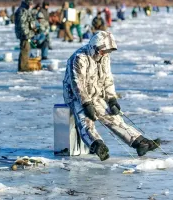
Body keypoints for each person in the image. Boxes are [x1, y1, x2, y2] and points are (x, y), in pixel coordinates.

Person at [62, 31, 161, 161]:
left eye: (107, 51)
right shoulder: (79, 58)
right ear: (95, 47)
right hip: (76, 96)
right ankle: (98, 145)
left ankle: (140, 142)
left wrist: (112, 99)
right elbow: (77, 84)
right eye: (103, 51)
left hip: (95, 94)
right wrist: (86, 104)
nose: (105, 54)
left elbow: (107, 78)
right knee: (85, 120)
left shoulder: (104, 57)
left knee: (113, 118)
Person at [15, 0, 36, 71]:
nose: (31, 5)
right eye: (30, 4)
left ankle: (24, 66)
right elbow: (22, 24)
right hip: (24, 34)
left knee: (26, 49)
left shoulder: (24, 9)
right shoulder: (22, 10)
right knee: (25, 50)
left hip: (25, 34)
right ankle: (23, 67)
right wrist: (26, 34)